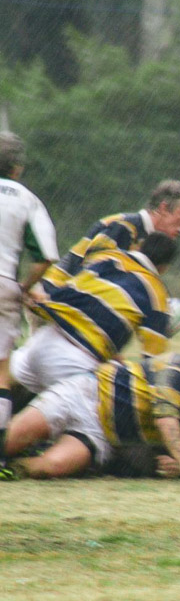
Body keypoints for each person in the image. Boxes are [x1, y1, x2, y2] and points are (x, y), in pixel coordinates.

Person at [3, 353, 180, 481]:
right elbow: (165, 416)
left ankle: (9, 470)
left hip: (101, 434)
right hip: (87, 393)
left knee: (49, 467)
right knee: (10, 440)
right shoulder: (179, 368)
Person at [10, 231, 177, 396]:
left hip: (41, 342)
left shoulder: (107, 258)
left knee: (6, 389)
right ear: (164, 267)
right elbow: (155, 361)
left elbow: (76, 293)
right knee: (101, 417)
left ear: (140, 247)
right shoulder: (157, 294)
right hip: (76, 362)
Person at [0, 132, 59, 475]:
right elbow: (47, 256)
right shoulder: (27, 199)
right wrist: (23, 287)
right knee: (1, 374)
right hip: (5, 284)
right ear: (18, 168)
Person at [40, 179, 180, 296]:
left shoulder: (148, 241)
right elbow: (92, 275)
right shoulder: (122, 227)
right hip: (53, 297)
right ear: (163, 208)